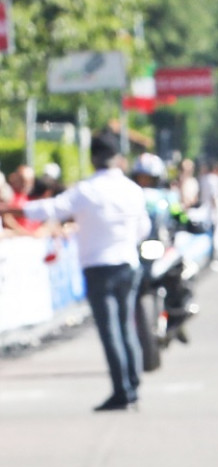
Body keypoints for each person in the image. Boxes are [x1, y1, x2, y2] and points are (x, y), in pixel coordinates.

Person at [2, 137, 151, 410]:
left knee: (111, 332)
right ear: (117, 157)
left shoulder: (88, 190)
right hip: (127, 263)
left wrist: (13, 208)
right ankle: (133, 387)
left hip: (99, 267)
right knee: (126, 327)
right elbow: (143, 229)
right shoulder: (132, 190)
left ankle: (122, 392)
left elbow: (52, 209)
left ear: (93, 158)